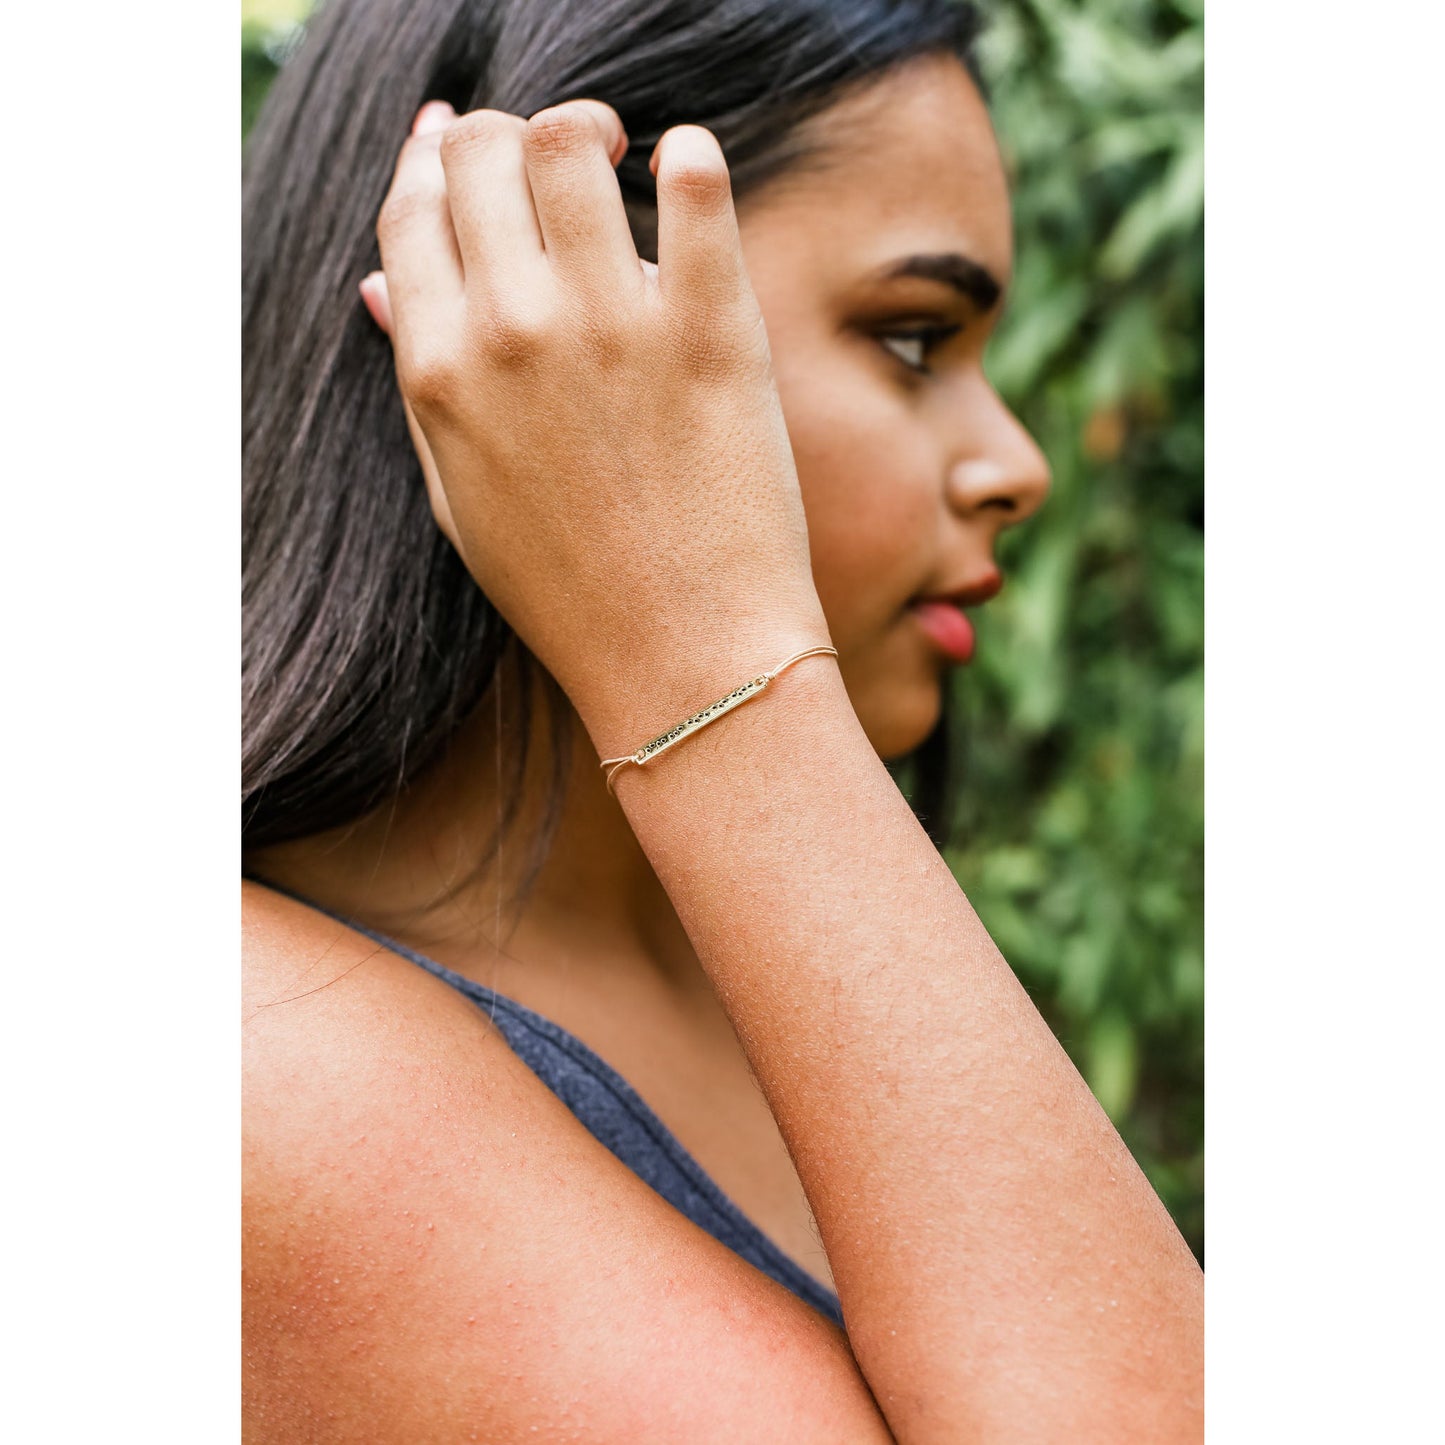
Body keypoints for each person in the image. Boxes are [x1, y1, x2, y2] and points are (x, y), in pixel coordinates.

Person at [242, 0, 1205, 1438]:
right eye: (911, 335)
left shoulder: (763, 951)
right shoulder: (252, 1056)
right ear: (529, 300)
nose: (1017, 463)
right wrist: (710, 650)